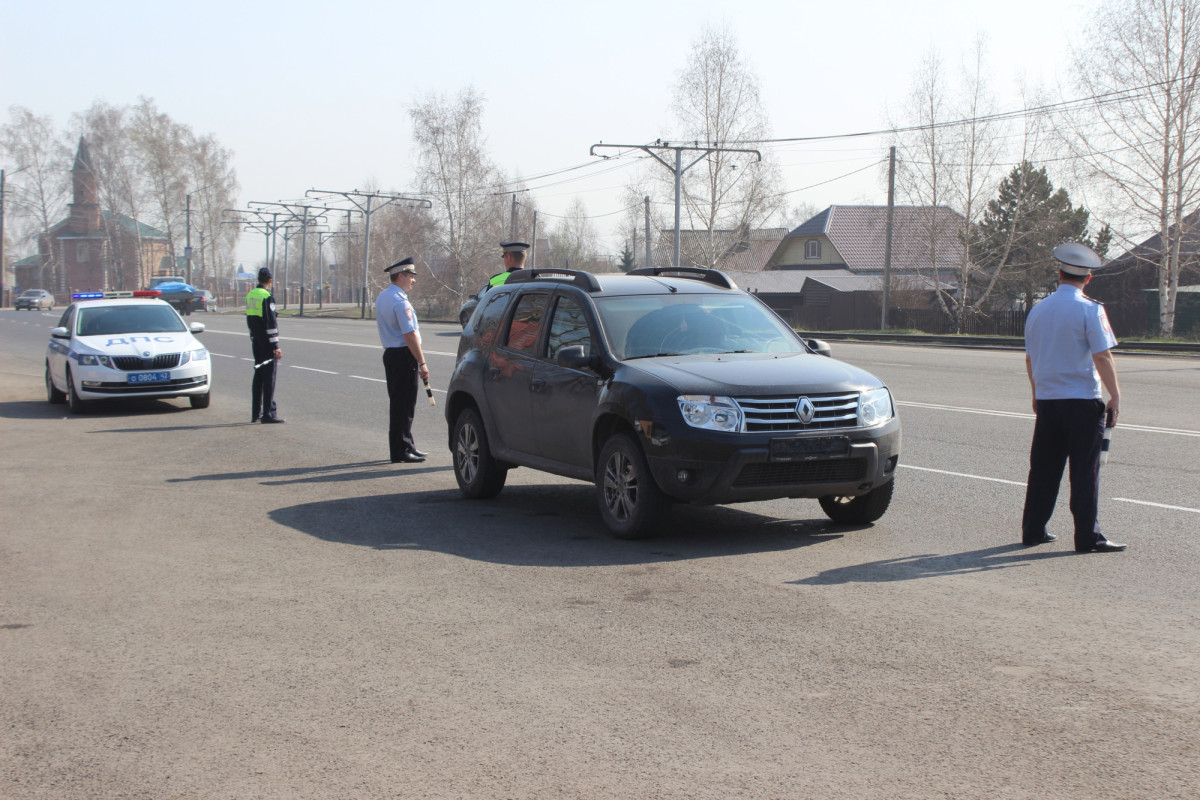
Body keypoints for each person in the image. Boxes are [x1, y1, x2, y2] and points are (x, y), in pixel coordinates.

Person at [1021, 242, 1125, 552]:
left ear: (1059, 274)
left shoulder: (1038, 310)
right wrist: (1115, 395)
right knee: (1084, 471)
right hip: (1082, 400)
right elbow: (1102, 356)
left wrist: (1037, 394)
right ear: (1088, 278)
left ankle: (1033, 530)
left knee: (1043, 469)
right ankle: (1087, 537)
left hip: (1049, 401)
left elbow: (1030, 358)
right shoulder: (1090, 309)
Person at [376, 257, 430, 463]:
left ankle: (407, 444)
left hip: (392, 354)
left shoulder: (384, 296)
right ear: (401, 276)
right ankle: (400, 450)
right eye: (411, 276)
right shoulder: (400, 301)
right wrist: (422, 362)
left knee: (401, 403)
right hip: (403, 355)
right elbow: (410, 335)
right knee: (404, 404)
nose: (414, 280)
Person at [246, 267, 284, 424]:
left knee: (259, 377)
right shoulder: (267, 296)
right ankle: (268, 413)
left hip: (256, 341)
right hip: (267, 343)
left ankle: (256, 412)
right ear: (270, 281)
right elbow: (270, 322)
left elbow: (250, 319)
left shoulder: (250, 295)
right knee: (269, 378)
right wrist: (276, 345)